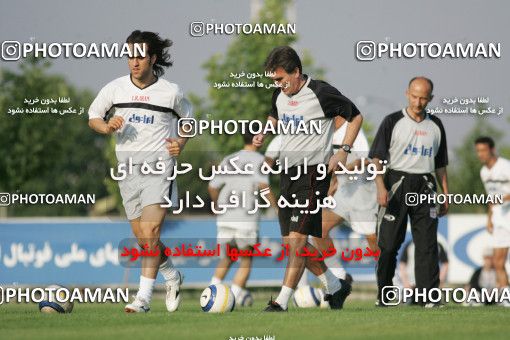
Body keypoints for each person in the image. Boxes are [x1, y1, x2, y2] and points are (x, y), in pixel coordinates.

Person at [88, 30, 192, 313]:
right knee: (145, 238)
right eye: (130, 55)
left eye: (140, 56)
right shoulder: (114, 89)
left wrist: (179, 142)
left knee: (151, 229)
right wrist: (107, 126)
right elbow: (93, 117)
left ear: (152, 58)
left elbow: (190, 120)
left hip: (159, 167)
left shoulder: (171, 92)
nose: (134, 61)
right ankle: (172, 274)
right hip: (127, 170)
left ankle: (143, 299)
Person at [253, 46, 363, 311]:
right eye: (274, 81)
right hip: (287, 174)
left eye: (281, 79)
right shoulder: (278, 94)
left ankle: (280, 302)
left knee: (299, 241)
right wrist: (264, 133)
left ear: (297, 72)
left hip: (313, 174)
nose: (278, 85)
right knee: (294, 243)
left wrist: (343, 152)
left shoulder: (322, 92)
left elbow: (356, 116)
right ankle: (336, 287)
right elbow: (274, 115)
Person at [369, 77, 449, 307]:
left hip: (426, 185)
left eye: (423, 97)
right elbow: (376, 158)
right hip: (396, 182)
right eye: (414, 96)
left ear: (430, 98)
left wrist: (445, 193)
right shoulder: (392, 121)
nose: (418, 101)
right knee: (388, 246)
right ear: (407, 94)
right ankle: (385, 294)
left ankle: (428, 297)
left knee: (427, 245)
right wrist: (380, 186)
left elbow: (441, 164)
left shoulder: (436, 125)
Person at [208, 131, 277, 305]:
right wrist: (277, 207)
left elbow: (212, 186)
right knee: (246, 258)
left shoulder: (229, 158)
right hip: (245, 215)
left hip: (226, 214)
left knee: (228, 256)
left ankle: (210, 293)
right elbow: (263, 185)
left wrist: (216, 205)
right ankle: (231, 298)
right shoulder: (260, 160)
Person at [475, 136, 510, 307]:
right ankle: (505, 298)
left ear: (492, 150)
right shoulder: (484, 172)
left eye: (483, 150)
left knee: (500, 261)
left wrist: (504, 198)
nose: (480, 154)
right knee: (498, 262)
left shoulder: (505, 166)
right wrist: (489, 218)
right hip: (499, 219)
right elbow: (491, 198)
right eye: (478, 151)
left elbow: (500, 197)